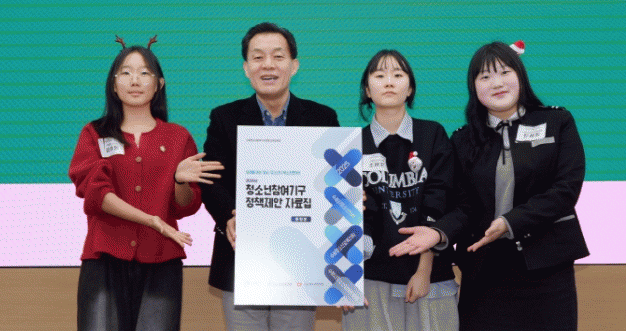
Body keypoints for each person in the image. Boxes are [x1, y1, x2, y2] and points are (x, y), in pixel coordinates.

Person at [391, 41, 589, 331]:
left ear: (520, 76)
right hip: (484, 271)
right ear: (474, 87)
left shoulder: (556, 121)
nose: (497, 83)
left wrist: (510, 222)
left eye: (505, 72)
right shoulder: (463, 140)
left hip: (547, 268)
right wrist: (438, 232)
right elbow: (464, 207)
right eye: (485, 76)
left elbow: (565, 190)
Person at [68, 37, 224, 331]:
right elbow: (97, 195)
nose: (135, 81)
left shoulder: (178, 137)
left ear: (159, 84)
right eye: (125, 73)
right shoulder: (95, 133)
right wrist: (152, 220)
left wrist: (179, 181)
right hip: (105, 258)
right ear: (114, 85)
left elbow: (186, 206)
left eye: (144, 73)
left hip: (161, 260)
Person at [201, 22, 339, 330]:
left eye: (278, 56)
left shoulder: (322, 117)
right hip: (242, 257)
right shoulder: (224, 117)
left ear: (294, 65)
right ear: (246, 68)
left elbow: (330, 183)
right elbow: (211, 180)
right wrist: (230, 215)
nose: (268, 65)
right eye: (258, 57)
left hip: (301, 262)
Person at [342, 49, 459, 331]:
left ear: (410, 89)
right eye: (379, 75)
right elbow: (347, 218)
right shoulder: (350, 144)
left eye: (398, 74)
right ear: (367, 90)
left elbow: (439, 202)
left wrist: (424, 269)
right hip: (369, 280)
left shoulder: (433, 135)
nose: (389, 82)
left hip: (429, 276)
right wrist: (345, 277)